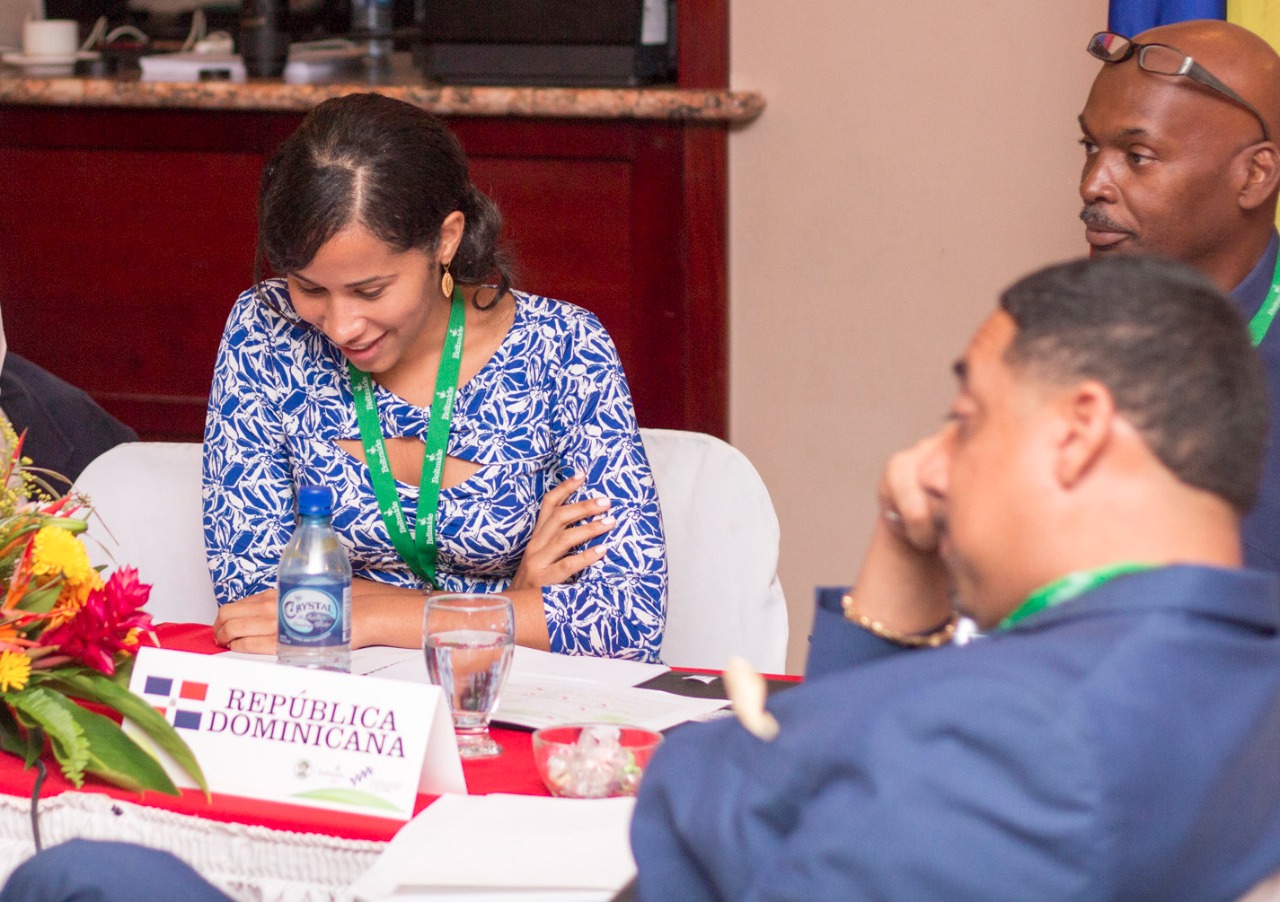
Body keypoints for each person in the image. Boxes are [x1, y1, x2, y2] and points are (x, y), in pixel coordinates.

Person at [631, 256, 1280, 899]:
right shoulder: (1246, 683)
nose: (928, 471)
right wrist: (902, 554)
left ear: (1079, 433)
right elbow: (844, 775)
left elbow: (782, 795)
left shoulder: (1012, 739)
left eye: (966, 421)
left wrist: (699, 760)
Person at [205, 93, 667, 662]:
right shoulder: (265, 330)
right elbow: (253, 605)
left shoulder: (564, 348)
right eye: (310, 288)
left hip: (504, 697)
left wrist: (370, 613)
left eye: (370, 290)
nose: (342, 326)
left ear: (445, 240)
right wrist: (511, 603)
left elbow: (628, 619)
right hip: (334, 696)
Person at [1077, 19, 1280, 571]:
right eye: (1090, 146)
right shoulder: (1046, 350)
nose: (1092, 183)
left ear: (1254, 175)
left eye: (1137, 156)